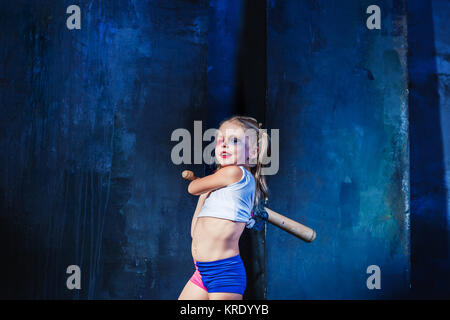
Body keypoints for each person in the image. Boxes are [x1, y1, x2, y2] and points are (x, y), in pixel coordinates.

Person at [178, 115, 269, 300]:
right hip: (202, 271)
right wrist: (207, 191)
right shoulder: (225, 185)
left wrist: (204, 185)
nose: (224, 145)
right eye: (220, 140)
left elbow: (192, 187)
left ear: (252, 153)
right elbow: (195, 232)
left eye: (234, 140)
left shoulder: (234, 172)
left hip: (224, 274)